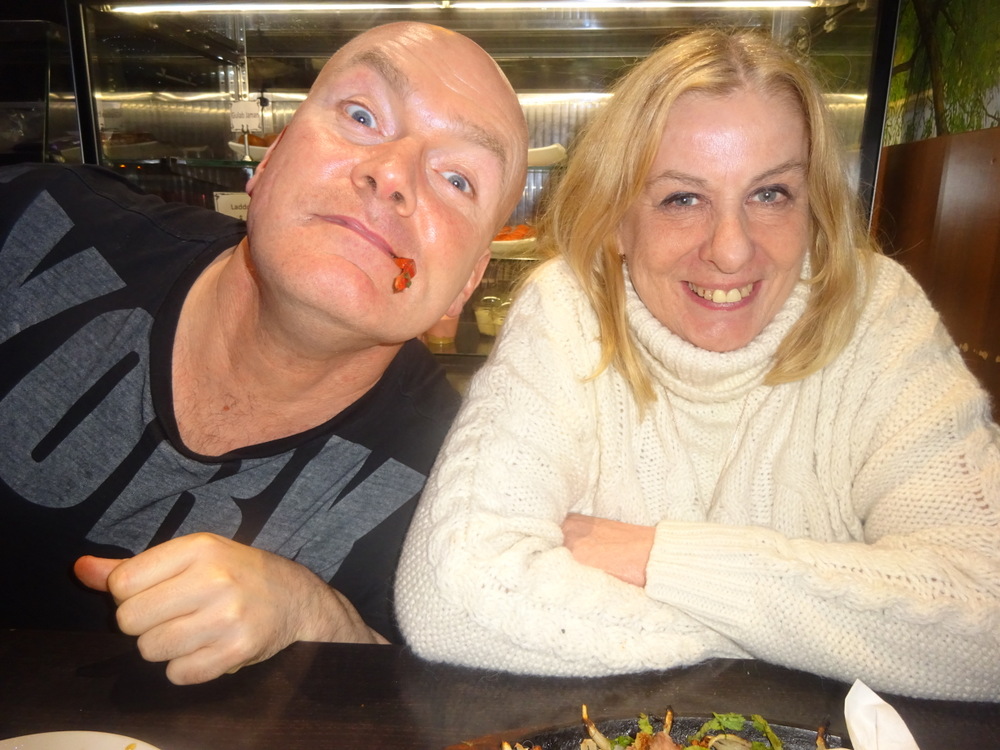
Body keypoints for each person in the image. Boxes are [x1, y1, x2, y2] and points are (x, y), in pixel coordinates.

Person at [395, 28, 1000, 702]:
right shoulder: (566, 309)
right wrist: (820, 630)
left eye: (771, 194)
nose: (731, 250)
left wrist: (659, 559)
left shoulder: (876, 312)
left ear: (814, 206)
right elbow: (451, 595)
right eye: (682, 199)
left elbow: (989, 618)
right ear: (617, 219)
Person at [0, 22, 528, 686]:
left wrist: (317, 616)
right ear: (269, 159)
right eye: (362, 116)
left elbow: (431, 710)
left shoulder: (452, 493)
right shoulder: (33, 226)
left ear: (467, 283)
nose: (392, 175)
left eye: (457, 179)